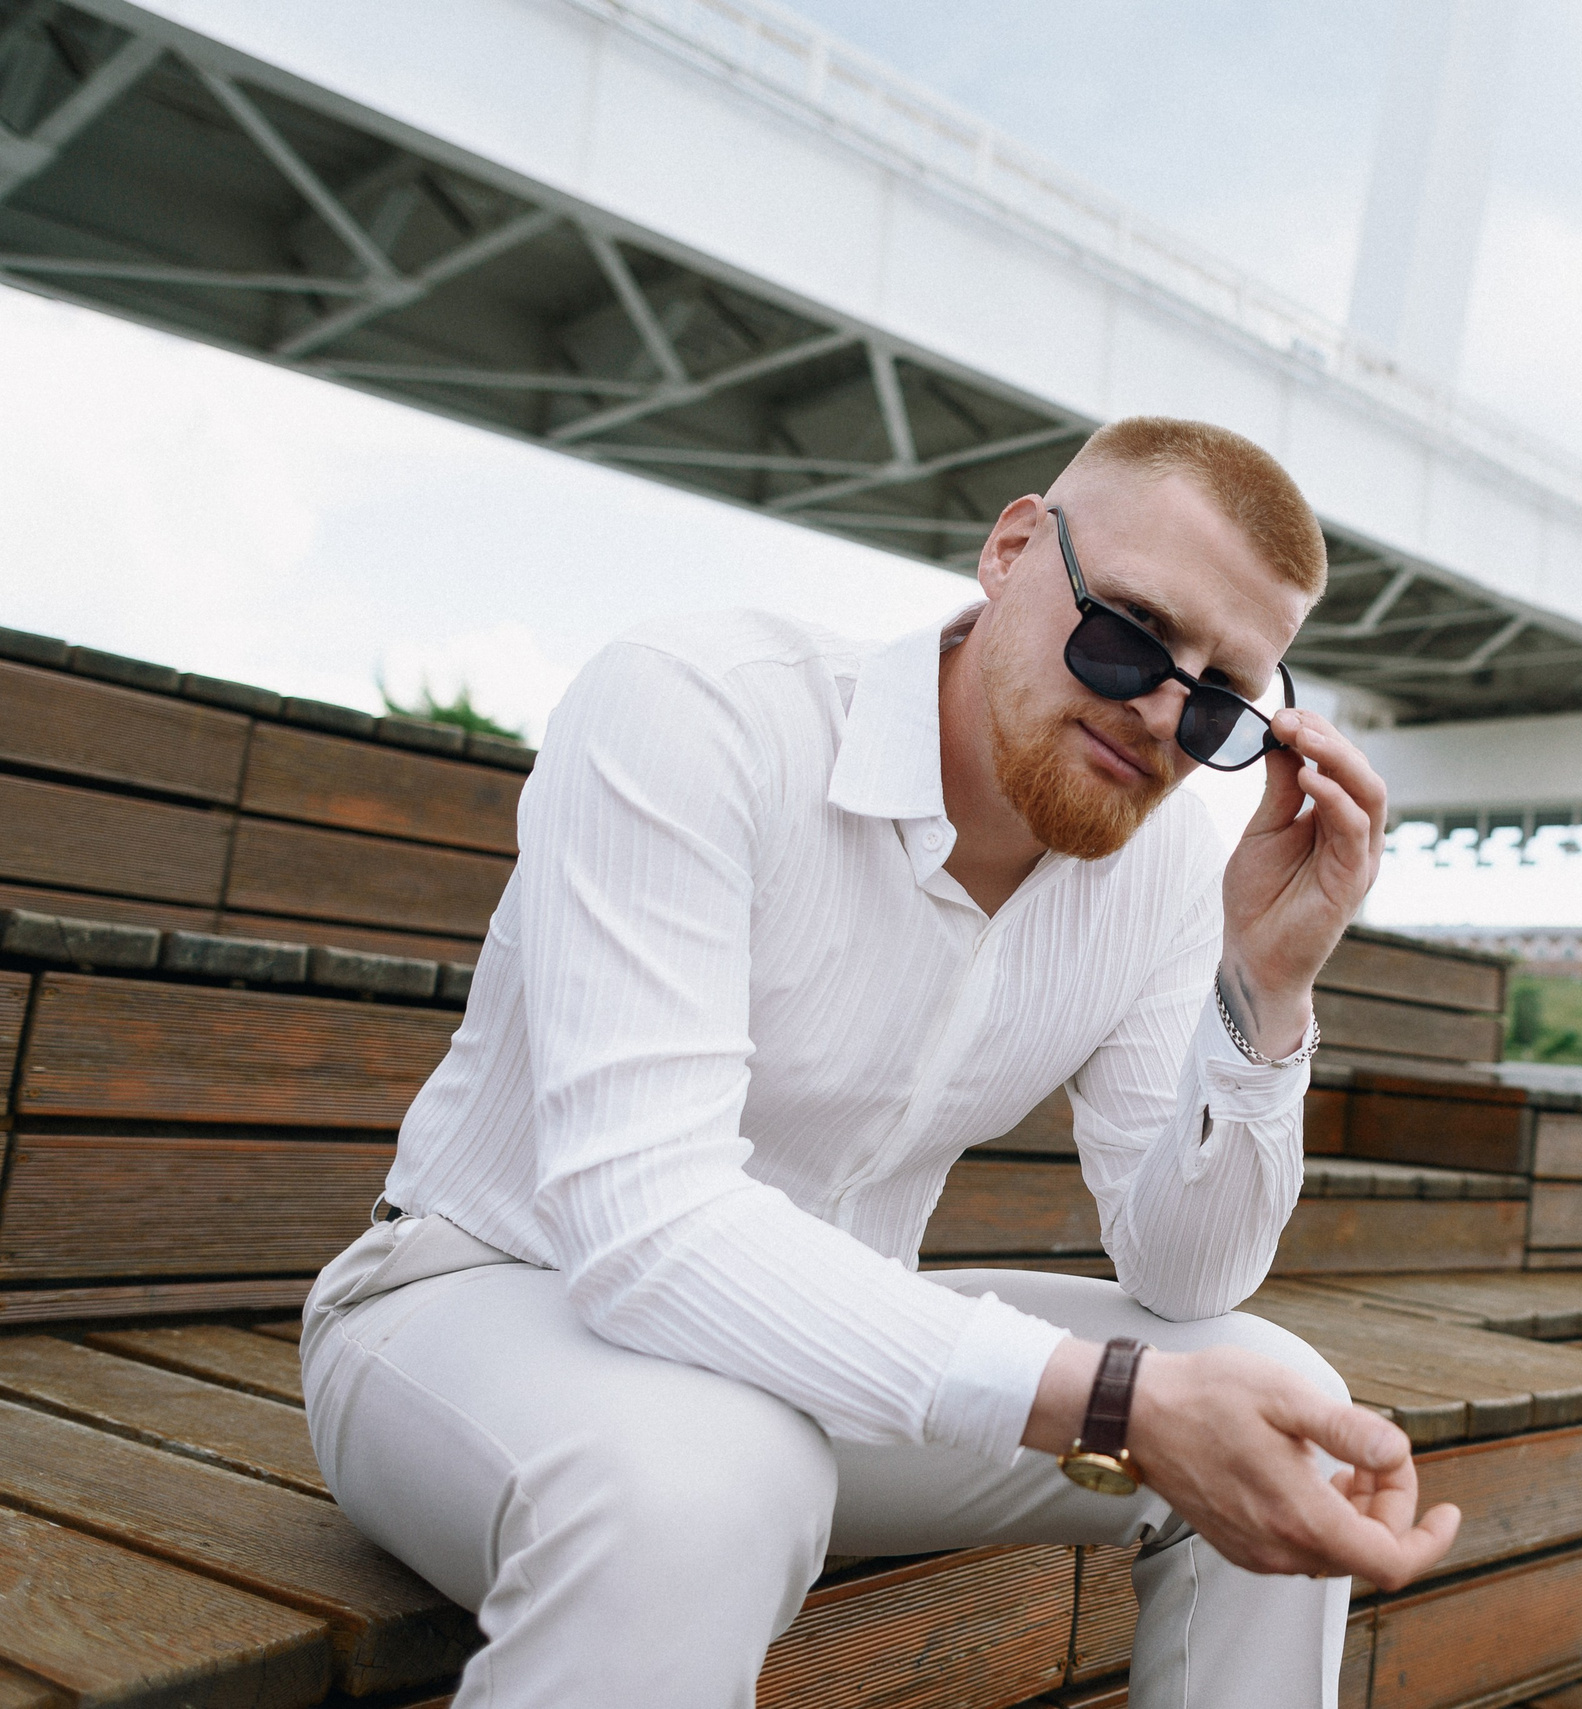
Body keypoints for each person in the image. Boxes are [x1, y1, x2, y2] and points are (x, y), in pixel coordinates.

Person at [299, 417, 1461, 1709]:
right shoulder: (703, 707)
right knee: (719, 1473)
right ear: (1013, 549)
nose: (1160, 710)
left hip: (813, 1365)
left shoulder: (1175, 867)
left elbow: (1185, 1273)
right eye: (1127, 632)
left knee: (1284, 1403)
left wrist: (1264, 988)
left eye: (1224, 699)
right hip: (485, 1304)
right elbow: (645, 1224)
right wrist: (1115, 1404)